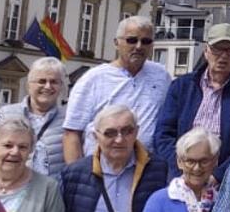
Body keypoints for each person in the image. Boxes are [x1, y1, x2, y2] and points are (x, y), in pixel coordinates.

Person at [154, 22, 230, 179]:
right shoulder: (181, 86)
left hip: (226, 180)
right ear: (206, 51)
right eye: (217, 49)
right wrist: (183, 169)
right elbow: (163, 134)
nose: (223, 56)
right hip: (181, 177)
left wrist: (220, 174)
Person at [63, 16, 172, 162]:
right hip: (101, 171)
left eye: (146, 41)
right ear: (116, 43)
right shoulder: (93, 79)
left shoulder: (161, 76)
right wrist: (76, 177)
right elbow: (72, 133)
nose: (139, 46)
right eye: (132, 40)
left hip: (147, 171)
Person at [0, 56, 69, 176]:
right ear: (29, 85)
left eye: (54, 82)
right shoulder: (6, 114)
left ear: (61, 87)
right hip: (8, 189)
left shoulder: (69, 120)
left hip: (51, 192)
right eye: (41, 81)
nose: (47, 86)